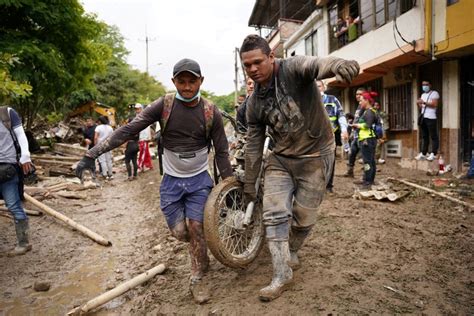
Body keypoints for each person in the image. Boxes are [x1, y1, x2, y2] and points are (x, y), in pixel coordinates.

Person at [76, 58, 232, 303]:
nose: (187, 87)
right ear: (174, 81)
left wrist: (228, 186)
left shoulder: (211, 111)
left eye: (193, 81)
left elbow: (222, 152)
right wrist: (91, 154)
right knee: (180, 232)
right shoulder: (164, 105)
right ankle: (200, 248)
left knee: (196, 226)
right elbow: (128, 130)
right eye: (182, 81)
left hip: (199, 180)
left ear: (201, 81)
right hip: (171, 182)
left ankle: (199, 274)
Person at [240, 34, 359, 301]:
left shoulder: (292, 69)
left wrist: (339, 64)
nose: (253, 69)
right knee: (274, 214)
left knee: (304, 218)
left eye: (258, 62)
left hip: (316, 155)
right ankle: (281, 275)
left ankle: (292, 249)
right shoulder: (254, 104)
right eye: (247, 65)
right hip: (281, 159)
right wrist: (250, 183)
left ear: (271, 57)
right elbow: (253, 145)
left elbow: (318, 64)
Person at [0, 106, 34, 255]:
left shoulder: (6, 113)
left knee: (13, 205)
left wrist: (25, 155)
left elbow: (21, 135)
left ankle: (24, 243)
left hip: (7, 168)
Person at [317, 80, 348, 193]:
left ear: (323, 87)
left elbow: (340, 114)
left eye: (319, 86)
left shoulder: (332, 100)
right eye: (315, 87)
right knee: (316, 160)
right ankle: (317, 185)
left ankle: (328, 186)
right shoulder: (310, 100)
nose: (317, 89)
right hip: (315, 136)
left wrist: (344, 130)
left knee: (330, 160)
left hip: (331, 135)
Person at [351, 91, 378, 189]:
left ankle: (367, 182)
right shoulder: (367, 111)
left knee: (367, 162)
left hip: (367, 140)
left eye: (361, 100)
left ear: (367, 100)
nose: (360, 102)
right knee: (370, 161)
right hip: (366, 139)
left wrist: (357, 125)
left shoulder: (370, 112)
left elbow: (368, 125)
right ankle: (369, 180)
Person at [343, 87, 366, 177]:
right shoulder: (359, 106)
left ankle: (366, 176)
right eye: (357, 94)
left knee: (365, 157)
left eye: (360, 94)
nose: (358, 96)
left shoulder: (365, 106)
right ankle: (350, 172)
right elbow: (357, 119)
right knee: (352, 154)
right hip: (356, 135)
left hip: (363, 135)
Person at [415, 80, 440, 161]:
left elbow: (435, 104)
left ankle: (434, 153)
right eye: (423, 85)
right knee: (424, 136)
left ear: (430, 85)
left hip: (431, 117)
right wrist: (418, 103)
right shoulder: (422, 95)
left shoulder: (434, 93)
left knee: (433, 136)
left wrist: (424, 102)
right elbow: (421, 107)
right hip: (423, 117)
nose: (424, 86)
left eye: (426, 84)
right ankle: (423, 153)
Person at [134, 103, 154, 171]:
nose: (137, 110)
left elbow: (147, 128)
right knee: (146, 151)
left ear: (141, 108)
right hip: (140, 137)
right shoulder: (137, 116)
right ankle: (148, 165)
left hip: (144, 137)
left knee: (143, 152)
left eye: (138, 108)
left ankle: (140, 166)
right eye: (136, 109)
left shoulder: (144, 116)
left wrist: (148, 137)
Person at [94, 115, 114, 180]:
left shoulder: (98, 127)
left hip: (100, 145)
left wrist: (95, 145)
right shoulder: (110, 128)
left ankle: (105, 174)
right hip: (108, 145)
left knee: (102, 161)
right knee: (109, 160)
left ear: (100, 121)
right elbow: (112, 137)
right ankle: (110, 174)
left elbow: (95, 137)